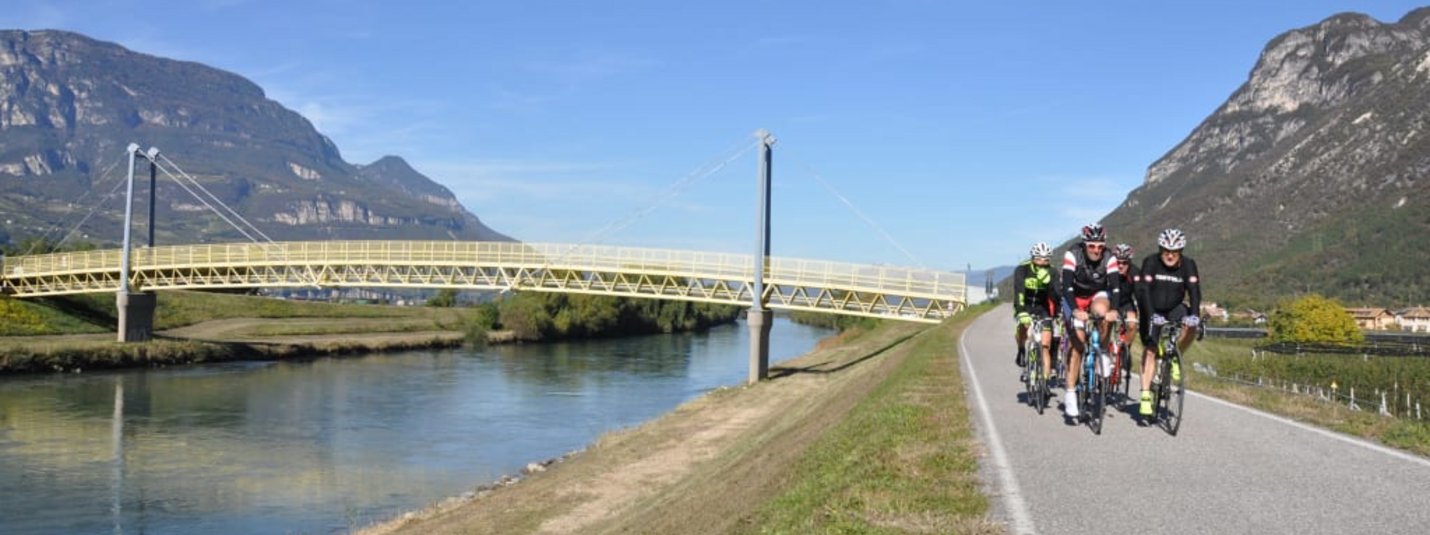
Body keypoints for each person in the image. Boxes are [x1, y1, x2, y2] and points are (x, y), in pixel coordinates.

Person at [1136, 228, 1202, 417]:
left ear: (1180, 252)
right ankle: (1146, 395)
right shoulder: (1151, 262)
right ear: (1160, 249)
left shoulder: (1189, 265)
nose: (1170, 255)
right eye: (1166, 251)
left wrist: (1195, 314)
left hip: (1174, 307)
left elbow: (1195, 291)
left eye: (1174, 252)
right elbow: (1144, 291)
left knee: (1192, 325)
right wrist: (1150, 315)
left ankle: (1175, 354)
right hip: (1152, 307)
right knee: (1150, 351)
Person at [1059, 223, 1120, 419]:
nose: (1096, 250)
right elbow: (1067, 287)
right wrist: (1075, 310)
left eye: (1100, 246)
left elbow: (1116, 288)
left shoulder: (1109, 257)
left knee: (1104, 312)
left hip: (1096, 294)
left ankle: (1102, 350)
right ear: (1085, 245)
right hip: (1074, 296)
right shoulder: (1072, 254)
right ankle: (1070, 393)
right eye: (1092, 246)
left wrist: (1115, 310)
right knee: (1077, 344)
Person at [1013, 242, 1057, 385]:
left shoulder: (1053, 271)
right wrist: (1021, 312)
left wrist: (1049, 282)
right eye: (1038, 259)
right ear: (1032, 258)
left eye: (1046, 260)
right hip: (1025, 305)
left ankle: (1044, 381)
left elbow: (1057, 296)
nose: (1042, 263)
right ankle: (1021, 349)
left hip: (1042, 308)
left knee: (1045, 345)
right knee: (1024, 329)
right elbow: (1019, 292)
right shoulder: (1022, 270)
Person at [1113, 243, 1140, 378]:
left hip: (1126, 303)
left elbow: (1140, 295)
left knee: (1132, 324)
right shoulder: (1108, 271)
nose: (1121, 265)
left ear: (1129, 262)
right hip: (1110, 302)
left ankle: (1125, 350)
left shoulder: (1135, 273)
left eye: (1124, 262)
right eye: (1118, 262)